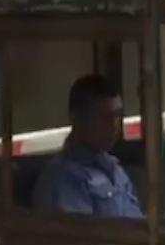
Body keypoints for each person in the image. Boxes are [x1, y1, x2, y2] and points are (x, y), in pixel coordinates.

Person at [32, 73, 143, 219]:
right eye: (104, 118)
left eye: (117, 116)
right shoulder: (63, 179)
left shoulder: (115, 170)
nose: (114, 126)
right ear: (77, 119)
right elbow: (77, 233)